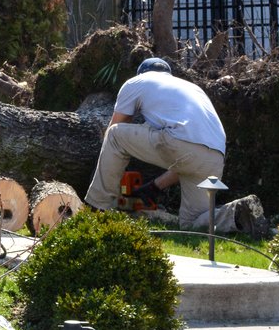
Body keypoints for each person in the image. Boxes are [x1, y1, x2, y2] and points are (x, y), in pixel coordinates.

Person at [83, 57, 263, 233]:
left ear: (141, 73)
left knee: (115, 135)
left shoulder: (136, 82)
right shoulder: (192, 89)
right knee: (192, 224)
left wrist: (102, 167)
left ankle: (97, 208)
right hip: (215, 158)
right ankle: (238, 214)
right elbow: (189, 156)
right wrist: (154, 186)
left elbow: (114, 129)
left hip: (180, 145)